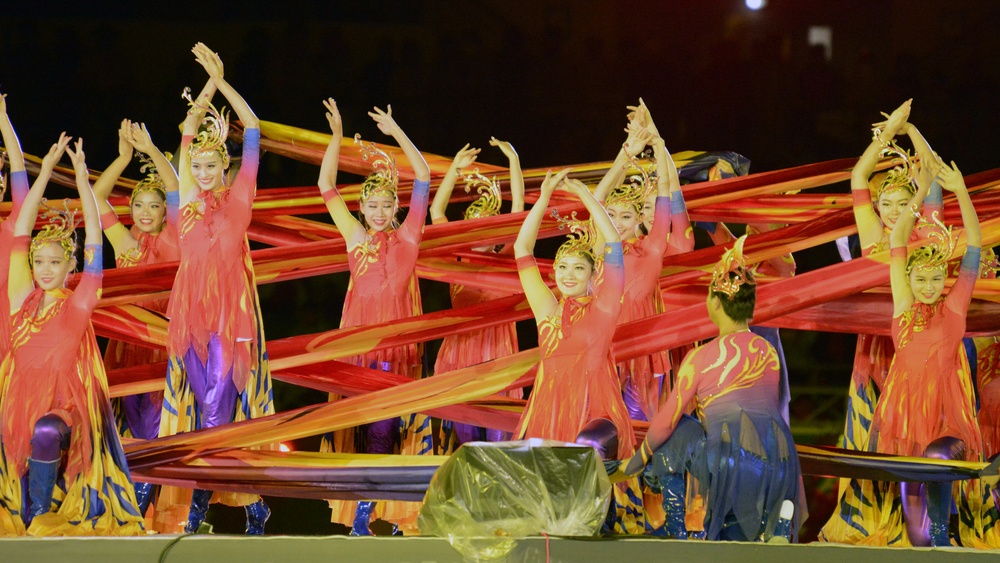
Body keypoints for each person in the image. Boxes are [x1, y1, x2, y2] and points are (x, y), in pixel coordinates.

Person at [822, 157, 983, 547]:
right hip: (903, 424)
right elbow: (897, 241)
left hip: (946, 423)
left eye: (936, 278)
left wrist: (959, 190)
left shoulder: (955, 307)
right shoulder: (903, 309)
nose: (929, 286)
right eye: (921, 279)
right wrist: (916, 198)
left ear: (946, 278)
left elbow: (975, 243)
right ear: (908, 278)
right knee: (914, 528)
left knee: (937, 461)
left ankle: (943, 536)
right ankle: (924, 541)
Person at [0, 137, 145, 536]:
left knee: (45, 432)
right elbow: (21, 233)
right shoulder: (20, 300)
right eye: (39, 262)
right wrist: (43, 173)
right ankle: (24, 507)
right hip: (17, 403)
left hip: (63, 407)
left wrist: (83, 182)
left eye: (55, 263)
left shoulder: (78, 303)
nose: (45, 270)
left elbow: (96, 243)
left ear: (70, 267)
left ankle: (40, 515)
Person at [618, 235, 804, 541]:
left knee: (674, 431)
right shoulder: (768, 352)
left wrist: (635, 462)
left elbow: (665, 421)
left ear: (715, 303)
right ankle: (776, 521)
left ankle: (678, 529)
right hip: (780, 465)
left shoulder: (700, 357)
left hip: (727, 466)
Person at [160, 43, 273, 535]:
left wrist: (223, 81)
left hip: (230, 316)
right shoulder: (184, 204)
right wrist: (204, 89)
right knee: (213, 416)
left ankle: (198, 508)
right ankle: (252, 506)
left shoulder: (241, 199)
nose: (203, 175)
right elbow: (187, 132)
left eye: (212, 167)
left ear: (226, 167)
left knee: (213, 408)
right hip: (188, 317)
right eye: (198, 167)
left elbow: (253, 129)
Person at [315, 98, 431, 535]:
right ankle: (378, 508)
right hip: (357, 353)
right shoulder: (355, 238)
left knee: (387, 431)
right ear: (362, 208)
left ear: (396, 207)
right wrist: (337, 137)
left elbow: (423, 175)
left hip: (395, 354)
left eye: (386, 205)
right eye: (372, 206)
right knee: (364, 431)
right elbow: (325, 184)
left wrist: (396, 130)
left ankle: (371, 511)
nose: (379, 212)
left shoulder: (408, 239)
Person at [513, 168, 642, 533]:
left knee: (585, 449)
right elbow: (522, 250)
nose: (569, 275)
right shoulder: (547, 313)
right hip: (549, 415)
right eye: (563, 267)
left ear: (593, 274)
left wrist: (587, 196)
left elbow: (614, 245)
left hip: (597, 415)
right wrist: (542, 199)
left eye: (579, 268)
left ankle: (602, 517)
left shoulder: (603, 309)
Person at [92, 119, 180, 517]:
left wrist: (153, 153)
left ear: (165, 211)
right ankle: (133, 506)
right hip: (128, 346)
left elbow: (177, 187)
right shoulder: (124, 244)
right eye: (139, 205)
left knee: (153, 429)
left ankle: (145, 508)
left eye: (154, 206)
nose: (146, 213)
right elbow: (96, 198)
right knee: (124, 426)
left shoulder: (176, 237)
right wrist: (124, 158)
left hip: (163, 344)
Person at [592, 102, 693, 421]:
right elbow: (597, 199)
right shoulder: (600, 252)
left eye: (626, 215)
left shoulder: (654, 247)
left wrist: (659, 143)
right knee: (603, 434)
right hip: (606, 352)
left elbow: (667, 187)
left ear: (640, 219)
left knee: (645, 435)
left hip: (649, 354)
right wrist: (627, 153)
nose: (618, 222)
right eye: (612, 216)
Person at [430, 139, 523, 448]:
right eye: (472, 226)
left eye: (486, 227)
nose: (478, 233)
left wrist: (513, 163)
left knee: (499, 440)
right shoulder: (454, 256)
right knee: (464, 440)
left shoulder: (507, 254)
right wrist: (453, 170)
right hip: (461, 354)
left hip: (498, 351)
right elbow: (436, 210)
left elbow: (519, 212)